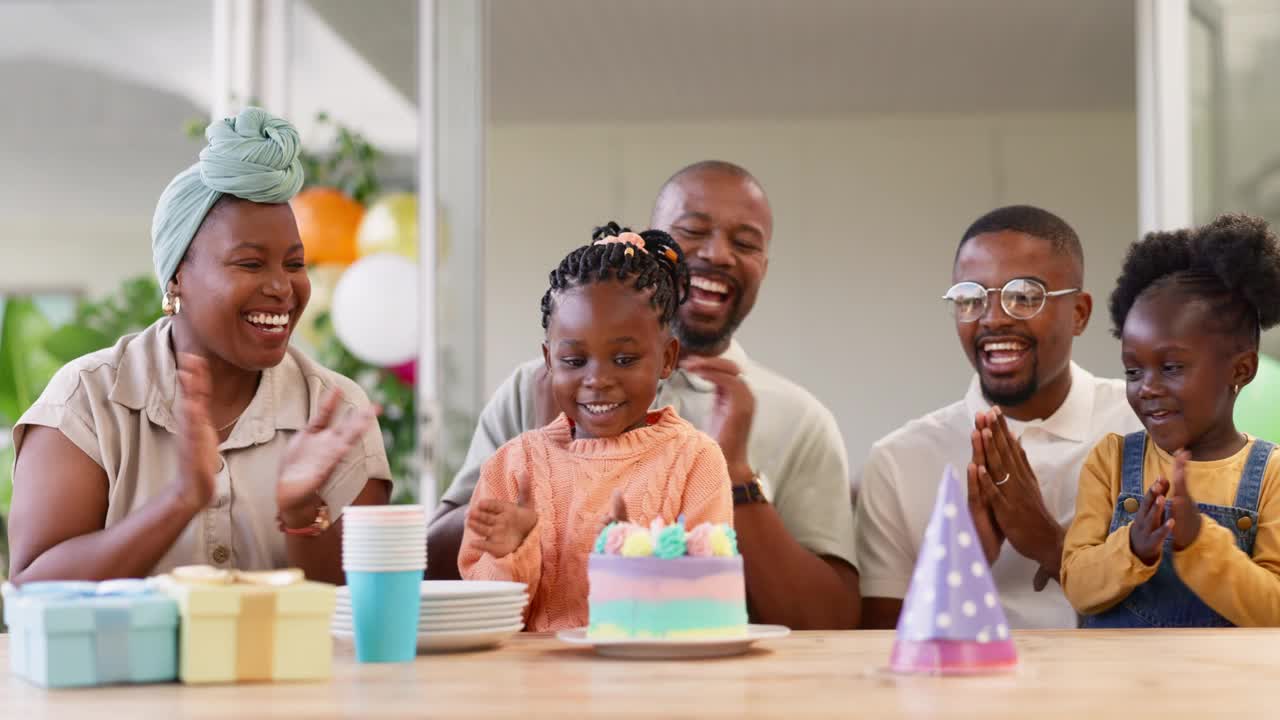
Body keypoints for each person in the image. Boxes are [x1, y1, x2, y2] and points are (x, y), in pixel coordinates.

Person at [434, 161, 859, 629]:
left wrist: (737, 481)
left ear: (667, 357)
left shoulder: (789, 423)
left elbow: (828, 621)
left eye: (744, 242)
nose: (718, 254)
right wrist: (540, 477)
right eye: (694, 230)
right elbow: (450, 576)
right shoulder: (526, 403)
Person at [7, 108, 390, 586]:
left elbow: (363, 610)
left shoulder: (333, 409)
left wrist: (300, 513)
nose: (281, 287)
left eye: (294, 264)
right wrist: (182, 499)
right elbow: (33, 587)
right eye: (250, 264)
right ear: (176, 278)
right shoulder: (87, 401)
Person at [856, 205, 1142, 629]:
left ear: (1079, 313)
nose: (993, 318)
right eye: (970, 299)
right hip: (960, 693)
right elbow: (882, 645)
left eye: (1025, 297)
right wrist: (962, 564)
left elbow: (1183, 618)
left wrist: (1050, 544)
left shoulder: (1143, 424)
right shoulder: (899, 462)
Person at [458, 223, 732, 631]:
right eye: (574, 361)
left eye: (624, 359)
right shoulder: (513, 466)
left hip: (651, 683)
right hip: (533, 689)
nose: (598, 379)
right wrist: (510, 552)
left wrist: (635, 567)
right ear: (549, 361)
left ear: (667, 358)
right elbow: (485, 622)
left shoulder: (695, 461)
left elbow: (709, 606)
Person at [1062, 214, 1280, 627]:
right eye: (1133, 371)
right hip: (1120, 689)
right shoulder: (1110, 461)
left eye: (1172, 367)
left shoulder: (1271, 476)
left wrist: (1200, 543)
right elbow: (1078, 586)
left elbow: (1274, 613)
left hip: (1227, 689)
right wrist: (1134, 547)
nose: (1147, 387)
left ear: (1241, 370)